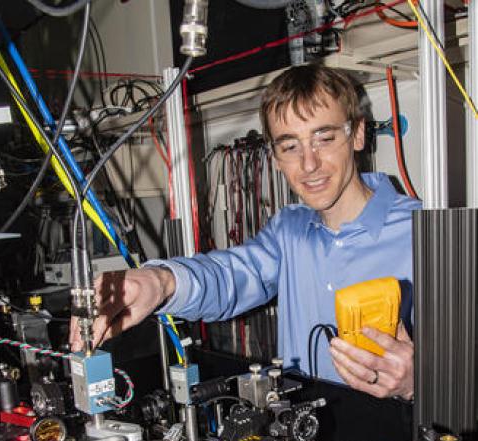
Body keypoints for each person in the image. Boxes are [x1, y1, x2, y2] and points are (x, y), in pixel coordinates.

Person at [70, 64, 420, 401]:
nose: (309, 163)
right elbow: (229, 276)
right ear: (275, 156)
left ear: (357, 133)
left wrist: (415, 381)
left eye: (324, 138)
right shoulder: (289, 230)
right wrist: (160, 282)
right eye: (290, 146)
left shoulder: (423, 232)